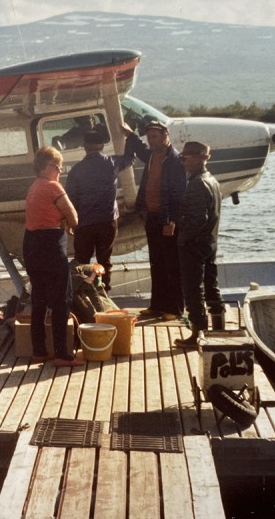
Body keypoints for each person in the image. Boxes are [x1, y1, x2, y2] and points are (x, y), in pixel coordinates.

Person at [23, 146, 85, 367]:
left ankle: (39, 351)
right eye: (56, 165)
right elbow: (74, 217)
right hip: (50, 244)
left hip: (31, 244)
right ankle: (62, 354)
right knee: (61, 299)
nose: (60, 170)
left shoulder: (34, 187)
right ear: (46, 167)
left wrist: (62, 220)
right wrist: (67, 221)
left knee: (38, 299)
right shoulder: (52, 186)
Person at [121, 119, 187, 320]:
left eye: (155, 137)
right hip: (152, 217)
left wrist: (172, 221)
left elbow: (178, 194)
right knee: (156, 263)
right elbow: (140, 149)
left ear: (166, 136)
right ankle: (157, 305)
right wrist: (130, 135)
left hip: (166, 220)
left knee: (171, 264)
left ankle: (175, 309)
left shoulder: (175, 160)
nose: (151, 140)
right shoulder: (151, 155)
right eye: (149, 137)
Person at [65, 128, 134, 291]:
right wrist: (131, 137)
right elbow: (130, 158)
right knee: (105, 260)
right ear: (102, 146)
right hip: (107, 221)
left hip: (84, 224)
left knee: (81, 261)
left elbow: (70, 198)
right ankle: (104, 291)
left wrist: (69, 222)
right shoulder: (112, 163)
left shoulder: (76, 170)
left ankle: (82, 292)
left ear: (85, 146)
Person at [175, 141, 225, 348]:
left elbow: (198, 219)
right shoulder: (211, 180)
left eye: (185, 158)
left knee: (193, 289)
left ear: (197, 159)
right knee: (211, 285)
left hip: (195, 244)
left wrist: (182, 239)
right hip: (210, 242)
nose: (183, 162)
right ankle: (219, 328)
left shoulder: (196, 184)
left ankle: (198, 333)